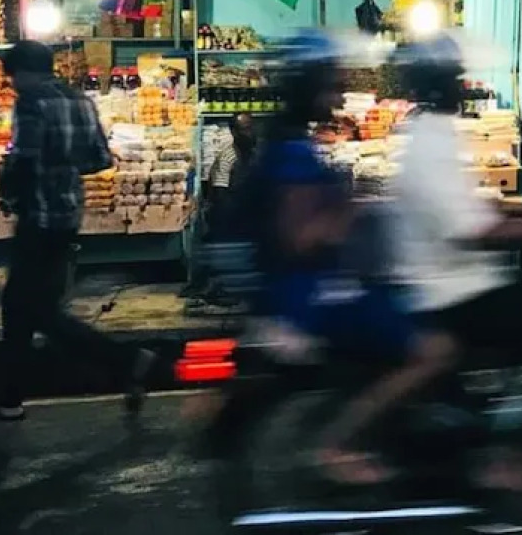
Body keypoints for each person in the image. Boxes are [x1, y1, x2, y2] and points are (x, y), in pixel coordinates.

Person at [389, 35, 522, 494]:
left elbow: (466, 207)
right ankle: (518, 459)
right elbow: (472, 230)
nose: (464, 85)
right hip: (452, 288)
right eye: (455, 77)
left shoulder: (432, 132)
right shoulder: (430, 143)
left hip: (456, 278)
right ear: (441, 84)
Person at [251, 33, 453, 487]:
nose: (340, 95)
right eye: (332, 85)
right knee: (434, 351)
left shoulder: (289, 142)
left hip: (315, 284)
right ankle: (337, 442)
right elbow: (304, 237)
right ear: (309, 88)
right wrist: (359, 210)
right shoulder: (294, 155)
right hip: (313, 295)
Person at [0, 41, 155, 423]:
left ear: (24, 73)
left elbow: (25, 161)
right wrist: (64, 164)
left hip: (38, 217)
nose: (12, 84)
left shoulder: (31, 102)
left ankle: (128, 361)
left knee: (35, 312)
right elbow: (100, 158)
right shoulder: (80, 101)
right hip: (69, 216)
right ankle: (8, 399)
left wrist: (6, 181)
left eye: (13, 76)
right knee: (24, 311)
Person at [186, 113, 258, 301]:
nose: (249, 134)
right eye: (244, 130)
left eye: (251, 128)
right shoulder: (228, 157)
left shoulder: (252, 154)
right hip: (225, 213)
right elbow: (220, 195)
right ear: (233, 133)